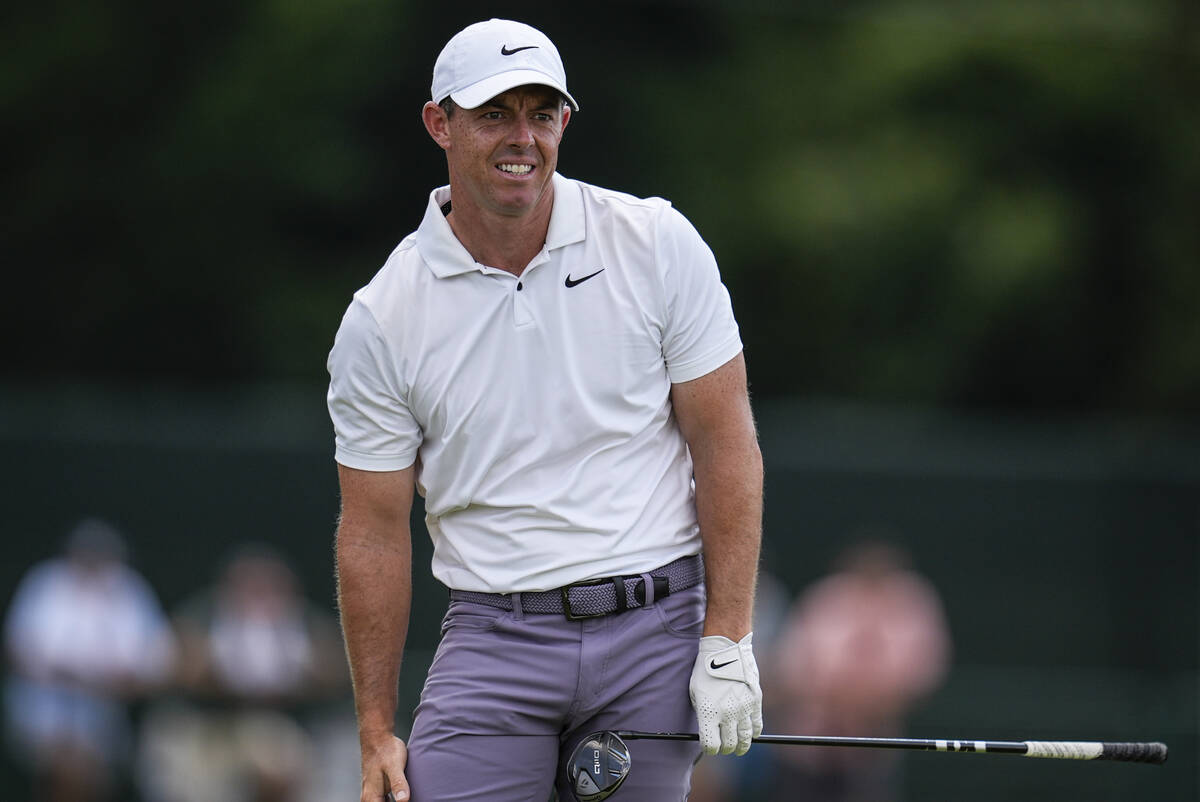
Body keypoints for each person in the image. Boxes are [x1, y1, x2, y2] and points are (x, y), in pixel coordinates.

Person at [326, 18, 763, 802]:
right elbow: (373, 529)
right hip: (494, 639)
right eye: (494, 114)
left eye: (542, 113)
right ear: (440, 123)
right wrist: (374, 729)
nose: (521, 137)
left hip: (653, 630)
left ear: (565, 122)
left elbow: (724, 442)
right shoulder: (384, 316)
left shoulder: (656, 243)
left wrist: (727, 637)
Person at [3, 518, 175, 802]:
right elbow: (17, 648)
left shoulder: (130, 589)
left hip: (109, 712)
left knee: (94, 767)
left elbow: (159, 658)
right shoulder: (44, 582)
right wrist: (66, 674)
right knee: (69, 767)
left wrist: (126, 680)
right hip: (43, 707)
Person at [767, 538, 951, 802]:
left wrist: (873, 701)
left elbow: (927, 669)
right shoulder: (824, 598)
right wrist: (831, 698)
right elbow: (789, 667)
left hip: (875, 747)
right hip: (808, 744)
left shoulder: (913, 600)